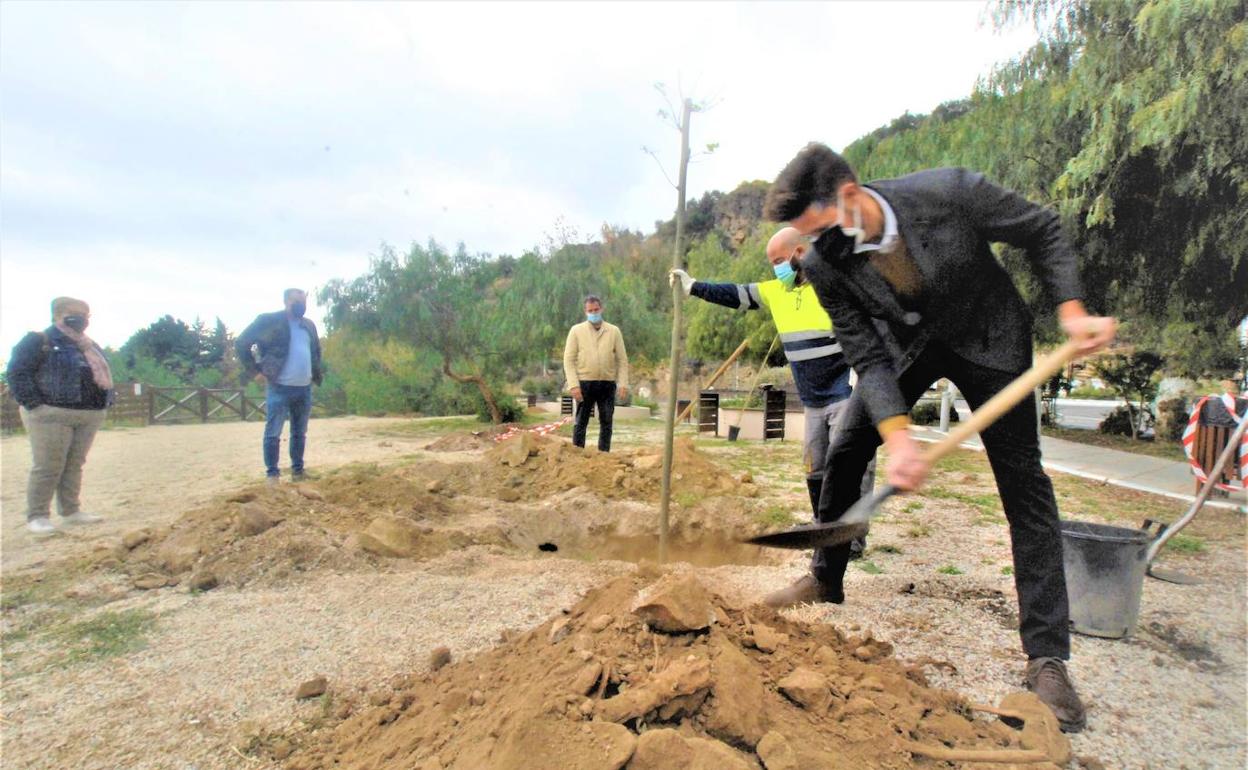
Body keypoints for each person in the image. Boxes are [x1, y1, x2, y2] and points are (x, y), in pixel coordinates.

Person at [763, 143, 1117, 733]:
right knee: (848, 445)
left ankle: (1047, 657)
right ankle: (827, 575)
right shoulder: (825, 265)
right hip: (906, 349)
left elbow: (1042, 228)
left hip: (990, 339)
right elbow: (867, 356)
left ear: (849, 198)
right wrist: (899, 437)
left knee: (1023, 485)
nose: (811, 249)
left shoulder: (948, 192)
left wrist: (1072, 310)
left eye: (817, 230)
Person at [669, 226, 875, 564]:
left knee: (851, 467)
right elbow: (735, 294)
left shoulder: (835, 284)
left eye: (780, 260)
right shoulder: (777, 291)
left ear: (800, 252)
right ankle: (824, 527)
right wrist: (693, 287)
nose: (775, 268)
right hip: (812, 401)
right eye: (771, 263)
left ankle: (853, 537)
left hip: (844, 394)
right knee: (815, 468)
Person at [6, 297, 114, 536]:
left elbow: (103, 373)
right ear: (57, 314)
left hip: (88, 413)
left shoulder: (89, 345)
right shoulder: (38, 340)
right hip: (51, 413)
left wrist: (105, 402)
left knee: (74, 464)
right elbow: (16, 373)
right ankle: (38, 516)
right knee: (48, 465)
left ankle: (71, 510)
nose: (83, 319)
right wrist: (35, 405)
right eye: (75, 313)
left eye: (86, 315)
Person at [235, 288, 323, 482]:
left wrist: (315, 374)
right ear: (286, 301)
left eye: (303, 302)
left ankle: (298, 472)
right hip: (279, 386)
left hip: (304, 387)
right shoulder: (269, 321)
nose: (301, 305)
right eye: (296, 301)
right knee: (273, 432)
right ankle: (272, 475)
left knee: (299, 432)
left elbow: (316, 351)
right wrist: (255, 370)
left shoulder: (309, 325)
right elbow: (242, 343)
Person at [563, 295, 629, 452]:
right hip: (584, 383)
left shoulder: (614, 331)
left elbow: (622, 360)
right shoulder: (576, 331)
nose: (593, 313)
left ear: (602, 309)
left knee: (607, 421)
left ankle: (603, 455)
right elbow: (568, 360)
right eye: (590, 310)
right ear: (585, 312)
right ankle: (577, 454)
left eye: (596, 309)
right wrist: (573, 385)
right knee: (581, 422)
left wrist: (623, 383)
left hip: (607, 383)